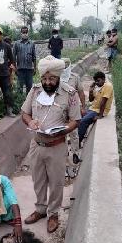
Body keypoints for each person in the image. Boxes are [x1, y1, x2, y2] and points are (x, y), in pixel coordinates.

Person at [21, 56, 81, 233]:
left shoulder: (70, 93)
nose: (47, 82)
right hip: (37, 145)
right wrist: (30, 122)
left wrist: (63, 131)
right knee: (38, 180)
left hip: (57, 145)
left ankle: (53, 214)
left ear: (58, 77)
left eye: (51, 79)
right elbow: (25, 113)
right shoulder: (35, 90)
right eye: (44, 79)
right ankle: (40, 209)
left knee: (55, 182)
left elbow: (75, 120)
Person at [78, 71, 114, 146]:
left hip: (98, 111)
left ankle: (78, 142)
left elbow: (103, 102)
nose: (97, 83)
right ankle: (81, 135)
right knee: (78, 117)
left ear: (104, 79)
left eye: (98, 81)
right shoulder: (98, 88)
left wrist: (100, 115)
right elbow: (91, 100)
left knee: (83, 121)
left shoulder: (108, 86)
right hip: (93, 109)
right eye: (96, 81)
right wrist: (91, 90)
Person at [61, 57, 86, 164]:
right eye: (63, 65)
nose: (65, 67)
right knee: (62, 133)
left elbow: (81, 93)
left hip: (73, 109)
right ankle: (64, 154)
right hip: (61, 110)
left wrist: (83, 106)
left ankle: (75, 154)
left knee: (74, 132)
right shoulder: (57, 77)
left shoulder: (74, 78)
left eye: (67, 65)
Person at [0, 27, 17, 117]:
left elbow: (12, 59)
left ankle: (9, 111)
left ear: (2, 35)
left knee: (7, 94)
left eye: (0, 34)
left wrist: (10, 68)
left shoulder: (7, 46)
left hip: (5, 75)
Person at [13, 26, 36, 94]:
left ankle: (28, 103)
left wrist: (35, 68)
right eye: (23, 32)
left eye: (26, 32)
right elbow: (13, 57)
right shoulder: (17, 44)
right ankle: (20, 103)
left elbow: (34, 57)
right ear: (21, 33)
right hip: (20, 70)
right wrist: (15, 69)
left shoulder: (32, 43)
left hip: (29, 70)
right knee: (19, 88)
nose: (25, 34)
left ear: (28, 33)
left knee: (29, 89)